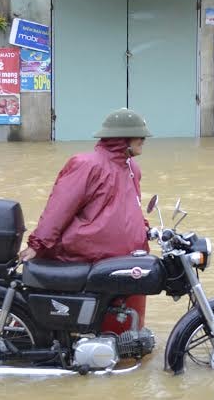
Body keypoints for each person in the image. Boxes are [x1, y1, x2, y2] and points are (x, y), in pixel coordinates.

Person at [20, 108, 152, 334]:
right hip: (87, 254)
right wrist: (37, 244)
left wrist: (145, 229)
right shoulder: (87, 164)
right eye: (139, 136)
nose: (144, 141)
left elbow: (131, 206)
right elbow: (59, 208)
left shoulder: (131, 168)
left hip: (122, 259)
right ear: (123, 138)